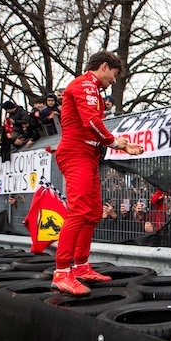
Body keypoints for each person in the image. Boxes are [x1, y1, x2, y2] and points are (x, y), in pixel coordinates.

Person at [51, 50, 144, 296]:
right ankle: (62, 272)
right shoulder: (85, 85)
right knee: (80, 209)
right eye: (113, 75)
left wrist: (118, 144)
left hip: (88, 155)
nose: (114, 81)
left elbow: (93, 126)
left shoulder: (93, 91)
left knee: (92, 211)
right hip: (75, 153)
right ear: (104, 67)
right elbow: (91, 121)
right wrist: (117, 143)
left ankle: (80, 266)